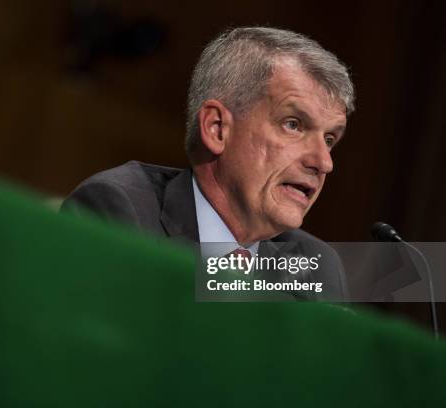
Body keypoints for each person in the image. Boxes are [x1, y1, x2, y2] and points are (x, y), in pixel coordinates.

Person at [61, 27, 354, 299]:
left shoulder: (315, 266)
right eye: (293, 124)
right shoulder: (121, 214)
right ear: (217, 128)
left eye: (329, 139)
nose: (323, 162)